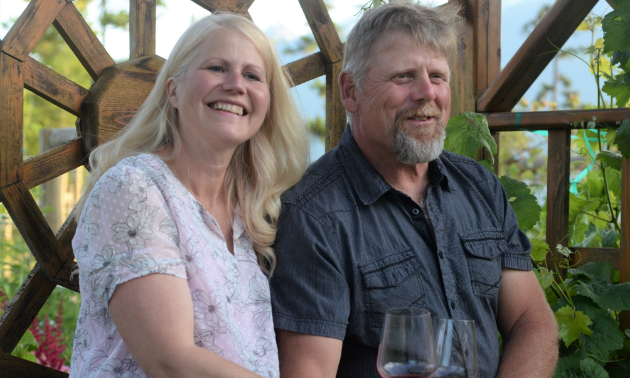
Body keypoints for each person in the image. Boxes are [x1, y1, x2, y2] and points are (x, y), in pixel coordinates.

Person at [269, 1, 558, 378]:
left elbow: (532, 321)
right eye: (404, 76)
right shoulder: (314, 216)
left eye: (437, 77)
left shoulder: (479, 186)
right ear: (351, 91)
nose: (427, 93)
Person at [69, 13, 309, 378]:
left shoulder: (250, 213)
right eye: (216, 67)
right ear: (174, 91)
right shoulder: (133, 189)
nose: (235, 85)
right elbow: (169, 361)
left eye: (252, 75)